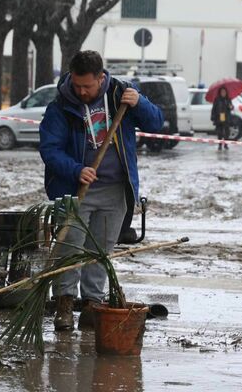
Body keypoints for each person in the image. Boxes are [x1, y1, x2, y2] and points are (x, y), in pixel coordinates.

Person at [39, 50, 164, 331]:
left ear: (101, 78)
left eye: (88, 86)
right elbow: (49, 149)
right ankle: (64, 305)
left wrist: (140, 103)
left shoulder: (122, 95)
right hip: (74, 190)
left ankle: (92, 307)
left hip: (115, 190)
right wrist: (75, 169)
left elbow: (156, 122)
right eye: (77, 85)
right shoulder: (60, 107)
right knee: (69, 248)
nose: (81, 91)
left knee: (99, 251)